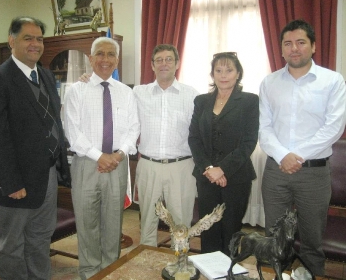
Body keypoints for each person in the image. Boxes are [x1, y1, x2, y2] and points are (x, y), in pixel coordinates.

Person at [0, 16, 71, 280]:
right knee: (12, 244)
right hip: (16, 179)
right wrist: (10, 182)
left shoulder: (47, 76)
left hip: (48, 174)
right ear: (12, 40)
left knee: (41, 237)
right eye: (28, 38)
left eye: (39, 38)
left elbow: (52, 122)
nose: (35, 44)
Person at [259, 19, 346, 276]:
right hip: (276, 171)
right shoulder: (269, 83)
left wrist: (296, 157)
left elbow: (334, 128)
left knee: (312, 241)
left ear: (313, 46)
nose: (294, 48)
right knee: (275, 238)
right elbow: (264, 129)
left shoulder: (332, 81)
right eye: (288, 43)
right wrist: (283, 156)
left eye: (300, 42)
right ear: (282, 49)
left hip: (314, 174)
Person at [63, 37, 140, 279]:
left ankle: (110, 270)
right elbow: (72, 131)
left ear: (117, 60)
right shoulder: (76, 90)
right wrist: (99, 156)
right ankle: (89, 272)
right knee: (87, 223)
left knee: (113, 222)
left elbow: (133, 128)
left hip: (117, 164)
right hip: (86, 164)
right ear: (91, 58)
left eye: (110, 55)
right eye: (100, 54)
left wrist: (117, 155)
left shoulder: (126, 92)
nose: (105, 59)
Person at [188, 52, 259, 255]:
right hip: (206, 176)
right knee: (208, 227)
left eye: (229, 70)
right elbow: (194, 138)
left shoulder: (249, 101)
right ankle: (210, 270)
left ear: (238, 74)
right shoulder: (201, 101)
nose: (223, 75)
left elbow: (249, 141)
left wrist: (223, 169)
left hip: (235, 177)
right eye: (218, 70)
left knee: (230, 229)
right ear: (212, 74)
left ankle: (228, 272)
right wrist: (209, 168)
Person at [133, 44, 198, 247]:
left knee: (180, 224)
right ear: (152, 65)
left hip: (181, 166)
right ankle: (146, 266)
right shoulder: (138, 93)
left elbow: (200, 132)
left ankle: (179, 267)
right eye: (159, 60)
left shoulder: (192, 95)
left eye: (169, 59)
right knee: (147, 222)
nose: (164, 63)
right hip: (148, 165)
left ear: (177, 64)